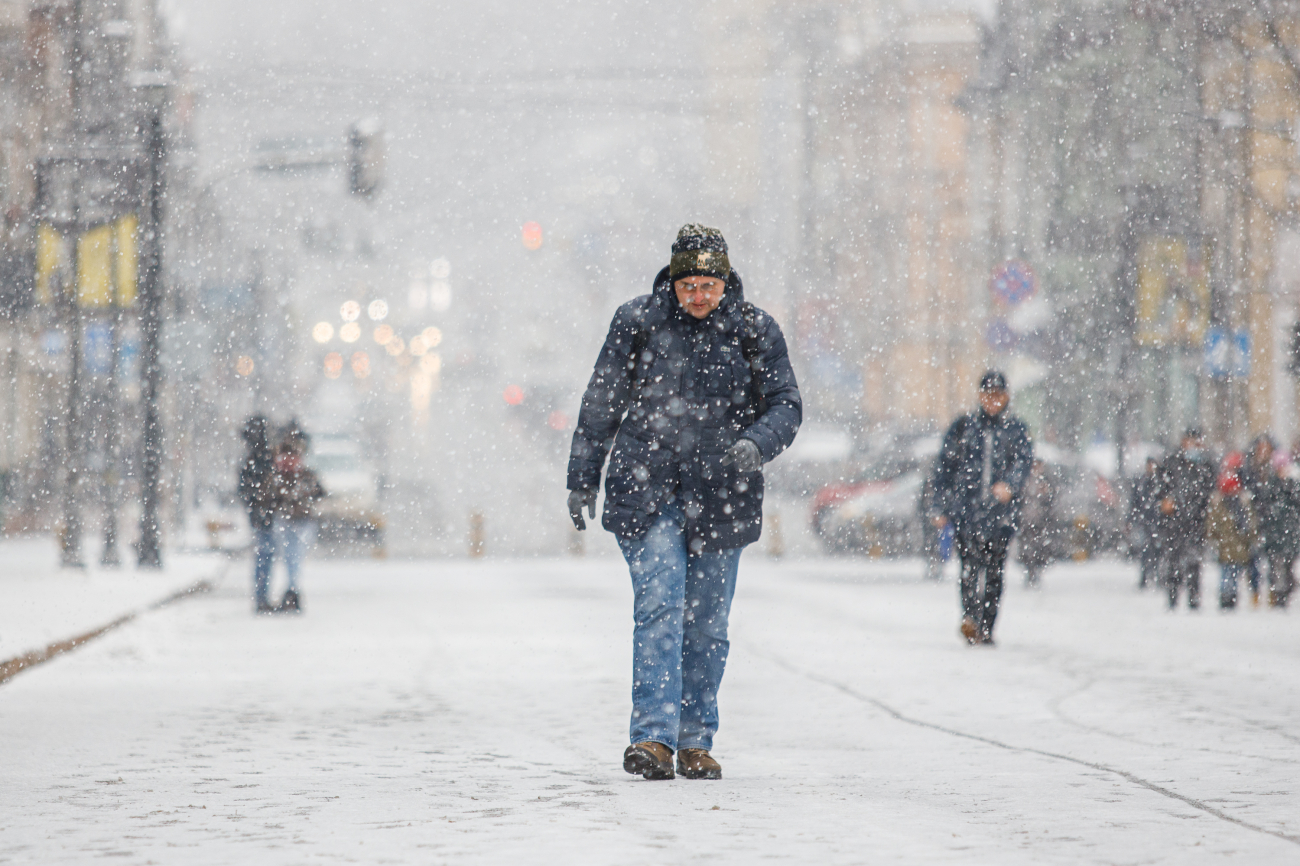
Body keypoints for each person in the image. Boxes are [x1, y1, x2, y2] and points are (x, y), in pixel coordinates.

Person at [566, 224, 801, 781]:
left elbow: (786, 404)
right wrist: (582, 477)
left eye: (707, 285)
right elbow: (602, 401)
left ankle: (696, 740)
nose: (697, 296)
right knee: (661, 608)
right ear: (672, 281)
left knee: (707, 624)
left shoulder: (753, 330)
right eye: (688, 284)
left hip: (723, 493)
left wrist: (754, 444)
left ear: (725, 282)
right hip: (645, 490)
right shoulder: (637, 323)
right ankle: (652, 738)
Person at [933, 371, 1033, 646]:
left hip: (1001, 517)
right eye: (988, 394)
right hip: (967, 513)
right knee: (969, 568)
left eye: (998, 395)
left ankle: (987, 626)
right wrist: (940, 506)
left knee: (994, 571)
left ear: (1006, 397)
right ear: (980, 396)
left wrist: (1009, 486)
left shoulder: (1016, 429)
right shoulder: (963, 427)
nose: (993, 400)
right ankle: (970, 619)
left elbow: (1024, 462)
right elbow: (943, 468)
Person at [1154, 428, 1215, 611]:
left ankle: (1193, 598)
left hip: (1196, 521)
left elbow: (1208, 491)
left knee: (1194, 562)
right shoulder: (1171, 462)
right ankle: (1172, 597)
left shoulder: (1205, 465)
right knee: (1173, 560)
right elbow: (1161, 488)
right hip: (1175, 521)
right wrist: (1165, 501)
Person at [270, 422, 325, 614]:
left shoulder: (284, 473)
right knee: (294, 557)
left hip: (294, 519)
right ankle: (293, 591)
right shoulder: (300, 474)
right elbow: (319, 492)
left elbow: (274, 496)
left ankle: (292, 592)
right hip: (297, 519)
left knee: (291, 556)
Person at [1205, 454, 1258, 610]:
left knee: (1232, 574)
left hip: (1235, 547)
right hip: (1228, 548)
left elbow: (1250, 524)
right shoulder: (1220, 506)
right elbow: (1212, 527)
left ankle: (1230, 596)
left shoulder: (1242, 505)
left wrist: (1249, 539)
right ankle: (1227, 597)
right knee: (1228, 574)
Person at [1250, 446, 1299, 609]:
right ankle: (1277, 595)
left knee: (1288, 566)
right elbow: (1263, 508)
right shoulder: (1271, 485)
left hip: (1290, 533)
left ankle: (1285, 592)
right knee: (1274, 566)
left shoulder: (1294, 485)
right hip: (1274, 533)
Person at [238, 415, 277, 614]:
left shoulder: (252, 459)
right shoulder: (262, 459)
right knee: (266, 554)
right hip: (264, 514)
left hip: (261, 513)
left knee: (265, 554)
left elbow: (243, 489)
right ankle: (262, 597)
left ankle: (262, 595)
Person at [1017, 459, 1056, 588]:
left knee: (1038, 546)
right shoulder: (1025, 479)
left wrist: (1046, 494)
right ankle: (1030, 569)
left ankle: (1035, 569)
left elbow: (1051, 501)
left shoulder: (1046, 480)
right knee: (1027, 546)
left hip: (1039, 520)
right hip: (1026, 519)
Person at [1130, 457, 1163, 590]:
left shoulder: (1159, 482)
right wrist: (1132, 519)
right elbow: (1134, 502)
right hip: (1145, 521)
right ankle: (1145, 576)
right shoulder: (1141, 482)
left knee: (1156, 550)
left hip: (1157, 521)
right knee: (1145, 550)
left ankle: (1155, 575)